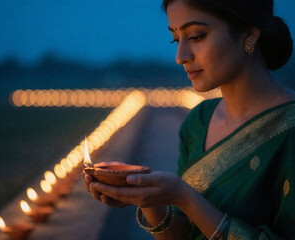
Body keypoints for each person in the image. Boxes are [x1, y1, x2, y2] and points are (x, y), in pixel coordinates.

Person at [83, 0, 295, 239]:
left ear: (249, 34)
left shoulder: (289, 129)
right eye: (176, 39)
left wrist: (186, 198)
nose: (180, 56)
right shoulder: (199, 121)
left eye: (196, 36)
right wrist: (149, 200)